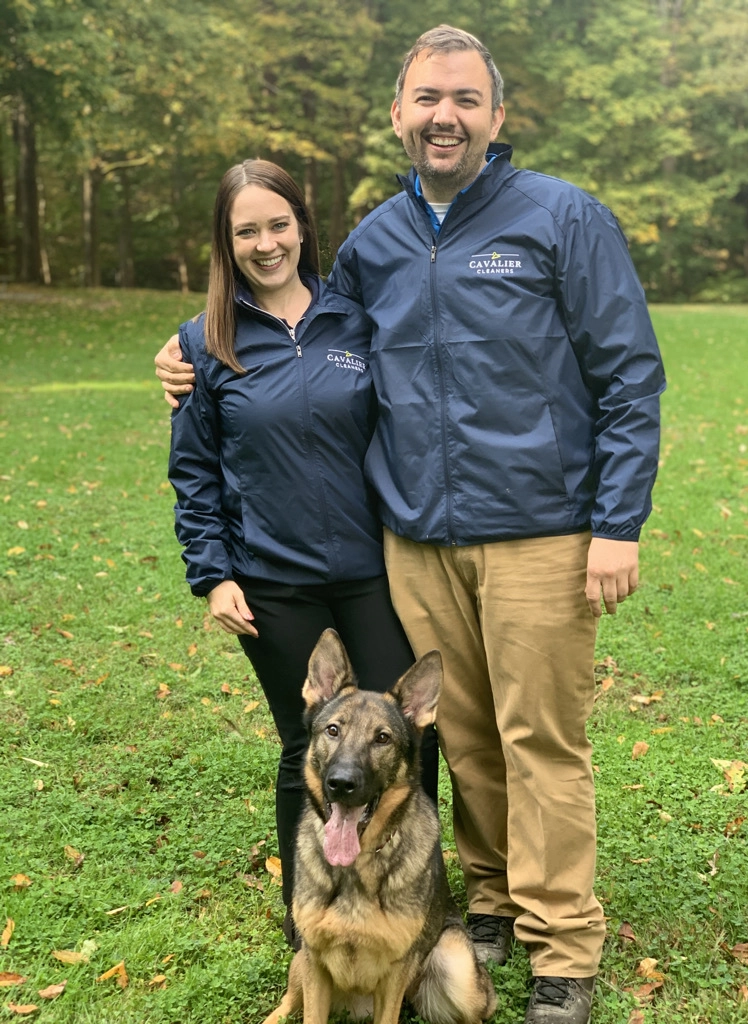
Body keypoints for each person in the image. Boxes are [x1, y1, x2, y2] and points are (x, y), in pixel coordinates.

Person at [157, 27, 665, 1024]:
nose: (445, 115)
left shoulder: (563, 218)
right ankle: (484, 901)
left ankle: (561, 946)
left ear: (497, 116)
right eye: (427, 98)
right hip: (417, 542)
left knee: (539, 740)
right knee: (462, 737)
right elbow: (293, 326)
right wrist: (185, 361)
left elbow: (629, 375)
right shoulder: (377, 242)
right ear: (398, 113)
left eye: (466, 99)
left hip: (541, 529)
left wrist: (618, 520)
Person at [166, 158, 438, 952]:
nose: (265, 242)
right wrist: (213, 573)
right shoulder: (203, 344)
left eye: (277, 224)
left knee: (404, 742)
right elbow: (195, 474)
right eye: (245, 230)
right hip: (274, 582)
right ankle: (309, 928)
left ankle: (412, 914)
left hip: (372, 570)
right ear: (227, 241)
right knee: (309, 747)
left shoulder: (354, 317)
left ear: (302, 226)